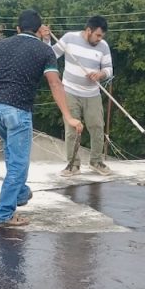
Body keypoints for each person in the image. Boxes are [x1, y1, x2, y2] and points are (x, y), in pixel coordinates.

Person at [0, 9, 84, 227]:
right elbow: (54, 83)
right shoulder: (44, 50)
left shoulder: (2, 44)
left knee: (12, 154)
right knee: (18, 164)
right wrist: (69, 117)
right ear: (40, 30)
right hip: (17, 110)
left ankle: (21, 193)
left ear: (18, 28)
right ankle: (4, 214)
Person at [41, 16, 114, 176]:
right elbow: (51, 55)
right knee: (72, 129)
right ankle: (73, 165)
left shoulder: (103, 46)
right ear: (88, 30)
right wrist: (46, 40)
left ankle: (96, 161)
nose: (99, 39)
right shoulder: (69, 38)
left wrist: (100, 74)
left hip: (92, 93)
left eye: (102, 36)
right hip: (70, 91)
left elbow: (109, 69)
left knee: (97, 126)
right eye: (98, 35)